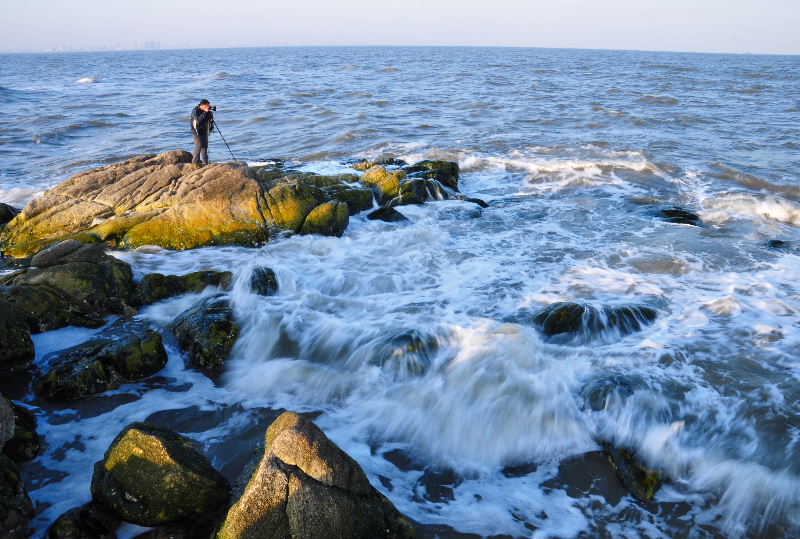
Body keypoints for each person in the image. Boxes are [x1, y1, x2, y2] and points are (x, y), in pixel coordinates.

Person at [190, 99, 215, 165]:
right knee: (199, 145)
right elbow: (199, 120)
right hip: (196, 131)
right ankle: (195, 162)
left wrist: (209, 114)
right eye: (207, 105)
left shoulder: (205, 111)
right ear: (202, 105)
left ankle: (205, 162)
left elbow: (206, 120)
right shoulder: (195, 111)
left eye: (208, 105)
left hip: (204, 130)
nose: (208, 107)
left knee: (204, 146)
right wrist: (205, 112)